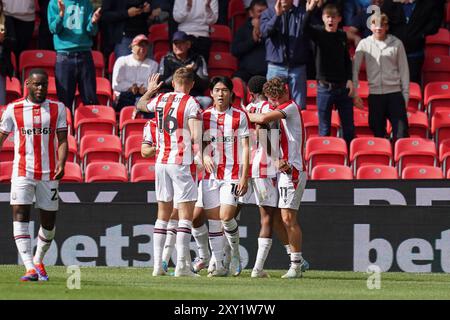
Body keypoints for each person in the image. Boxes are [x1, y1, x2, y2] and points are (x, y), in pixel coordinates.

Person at [0, 69, 68, 282]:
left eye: (44, 85)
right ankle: (29, 267)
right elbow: (1, 136)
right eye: (37, 84)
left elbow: (63, 139)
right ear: (27, 84)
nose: (41, 88)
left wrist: (62, 162)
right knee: (20, 214)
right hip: (22, 171)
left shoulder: (58, 108)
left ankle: (38, 261)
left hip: (49, 174)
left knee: (48, 224)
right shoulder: (14, 109)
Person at [136, 68, 203, 277]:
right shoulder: (191, 103)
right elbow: (195, 135)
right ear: (191, 84)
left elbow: (140, 105)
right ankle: (182, 266)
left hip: (161, 162)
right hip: (181, 162)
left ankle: (157, 266)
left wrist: (150, 91)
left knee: (162, 215)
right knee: (185, 215)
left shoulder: (162, 98)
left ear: (173, 83)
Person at [247, 77, 307, 279]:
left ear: (275, 97)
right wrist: (275, 158)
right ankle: (296, 263)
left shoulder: (290, 107)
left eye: (271, 101)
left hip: (295, 170)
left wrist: (244, 114)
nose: (270, 105)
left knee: (289, 218)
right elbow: (262, 128)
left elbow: (262, 119)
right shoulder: (285, 108)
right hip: (285, 170)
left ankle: (296, 266)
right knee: (283, 218)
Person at [202, 76, 250, 277]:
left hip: (232, 174)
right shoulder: (203, 116)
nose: (220, 94)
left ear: (231, 93)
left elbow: (247, 148)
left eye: (224, 90)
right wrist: (204, 155)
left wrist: (244, 177)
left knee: (226, 216)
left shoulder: (240, 116)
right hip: (209, 176)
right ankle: (220, 264)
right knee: (214, 222)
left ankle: (236, 254)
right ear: (211, 93)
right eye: (217, 90)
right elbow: (199, 143)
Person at [305, 1, 354, 147]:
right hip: (325, 88)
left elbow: (347, 60)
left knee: (349, 128)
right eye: (328, 17)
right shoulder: (318, 33)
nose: (331, 20)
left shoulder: (342, 35)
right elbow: (304, 29)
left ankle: (349, 163)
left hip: (342, 87)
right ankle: (325, 159)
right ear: (323, 18)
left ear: (339, 19)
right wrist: (309, 11)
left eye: (334, 17)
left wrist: (350, 79)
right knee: (325, 128)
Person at [353, 13, 409, 140]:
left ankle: (398, 158)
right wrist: (355, 94)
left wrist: (405, 95)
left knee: (401, 133)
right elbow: (354, 70)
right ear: (371, 27)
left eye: (382, 25)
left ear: (386, 27)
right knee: (377, 131)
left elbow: (404, 70)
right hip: (375, 94)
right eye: (375, 24)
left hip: (395, 93)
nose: (378, 28)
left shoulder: (397, 43)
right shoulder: (364, 44)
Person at [48, 0, 101, 111]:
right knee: (64, 101)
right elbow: (53, 29)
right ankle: (65, 127)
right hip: (64, 55)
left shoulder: (86, 3)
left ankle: (89, 127)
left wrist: (93, 21)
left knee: (90, 98)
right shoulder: (55, 2)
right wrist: (61, 15)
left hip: (85, 54)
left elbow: (92, 32)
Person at [260, 0, 312, 110]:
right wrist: (277, 15)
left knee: (299, 107)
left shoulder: (302, 13)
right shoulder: (268, 13)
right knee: (272, 106)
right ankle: (274, 128)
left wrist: (309, 13)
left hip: (297, 66)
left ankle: (296, 128)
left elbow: (311, 32)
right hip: (275, 66)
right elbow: (265, 32)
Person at [382, 0, 445, 84]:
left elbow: (435, 23)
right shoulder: (391, 3)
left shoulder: (429, 3)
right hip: (392, 53)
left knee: (412, 87)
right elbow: (381, 21)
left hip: (414, 54)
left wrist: (421, 34)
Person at [159, 31, 211, 109]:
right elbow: (162, 83)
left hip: (194, 96)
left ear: (188, 44)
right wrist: (183, 71)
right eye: (175, 43)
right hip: (173, 97)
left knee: (207, 101)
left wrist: (192, 73)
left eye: (181, 43)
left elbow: (205, 84)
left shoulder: (197, 59)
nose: (178, 46)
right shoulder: (166, 59)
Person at [112, 34, 159, 112]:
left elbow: (152, 84)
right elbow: (116, 84)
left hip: (144, 96)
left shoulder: (153, 64)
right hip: (125, 96)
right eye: (140, 45)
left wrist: (144, 89)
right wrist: (130, 87)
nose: (143, 48)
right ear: (132, 47)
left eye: (145, 46)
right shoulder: (122, 61)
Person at [231, 0, 268, 83]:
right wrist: (252, 41)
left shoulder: (273, 29)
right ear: (251, 13)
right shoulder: (242, 29)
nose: (262, 14)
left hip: (267, 73)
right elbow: (235, 50)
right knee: (236, 81)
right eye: (259, 11)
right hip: (246, 73)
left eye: (265, 11)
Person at [0, 2, 14, 106]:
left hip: (1, 65)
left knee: (1, 101)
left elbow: (13, 41)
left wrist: (3, 39)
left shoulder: (7, 20)